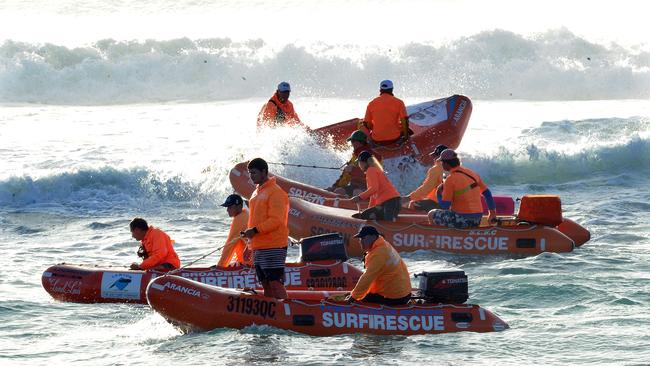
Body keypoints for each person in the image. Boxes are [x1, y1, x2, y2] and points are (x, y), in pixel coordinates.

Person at [241, 158, 290, 299]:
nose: (251, 176)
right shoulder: (256, 192)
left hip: (274, 244)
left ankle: (284, 313)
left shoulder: (276, 192)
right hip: (258, 245)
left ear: (264, 172)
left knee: (275, 282)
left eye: (254, 172)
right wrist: (249, 244)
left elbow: (276, 220)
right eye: (250, 173)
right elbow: (254, 220)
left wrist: (255, 231)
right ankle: (272, 315)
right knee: (265, 283)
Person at [428, 149, 497, 229]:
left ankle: (442, 237)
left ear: (446, 164)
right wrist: (492, 213)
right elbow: (487, 194)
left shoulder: (450, 179)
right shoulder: (473, 174)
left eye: (442, 162)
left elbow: (445, 206)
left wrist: (438, 194)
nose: (442, 164)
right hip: (477, 220)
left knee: (431, 213)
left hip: (461, 220)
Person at [345, 225, 412, 305]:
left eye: (363, 238)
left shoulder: (379, 254)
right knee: (361, 295)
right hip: (404, 292)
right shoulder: (383, 244)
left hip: (395, 297)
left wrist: (353, 297)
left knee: (358, 300)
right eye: (360, 239)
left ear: (373, 237)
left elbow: (367, 277)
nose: (360, 241)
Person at [339, 151, 401, 221]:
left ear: (363, 163)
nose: (359, 165)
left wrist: (359, 197)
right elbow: (373, 195)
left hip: (390, 202)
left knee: (387, 224)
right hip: (390, 202)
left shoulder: (371, 170)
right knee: (366, 214)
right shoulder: (374, 170)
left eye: (359, 163)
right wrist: (369, 208)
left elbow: (374, 188)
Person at [327, 130, 382, 197]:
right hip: (355, 186)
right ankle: (343, 204)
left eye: (352, 141)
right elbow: (346, 176)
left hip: (370, 188)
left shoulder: (373, 156)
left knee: (357, 192)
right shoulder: (355, 156)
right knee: (339, 191)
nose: (351, 144)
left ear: (359, 142)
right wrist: (335, 186)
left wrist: (353, 170)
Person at [361, 80, 409, 144]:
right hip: (394, 138)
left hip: (376, 139)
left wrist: (377, 130)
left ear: (380, 90)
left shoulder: (371, 103)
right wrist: (406, 137)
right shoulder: (399, 102)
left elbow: (367, 123)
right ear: (392, 89)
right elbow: (404, 121)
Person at [404, 144, 448, 211]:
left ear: (439, 157)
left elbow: (426, 188)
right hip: (449, 205)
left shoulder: (436, 169)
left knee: (412, 203)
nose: (434, 159)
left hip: (438, 204)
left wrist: (409, 197)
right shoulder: (453, 170)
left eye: (435, 156)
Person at [216, 194, 252, 268]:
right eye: (227, 207)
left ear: (239, 206)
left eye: (230, 207)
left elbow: (229, 245)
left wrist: (220, 267)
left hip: (250, 264)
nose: (227, 210)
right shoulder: (246, 214)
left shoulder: (240, 218)